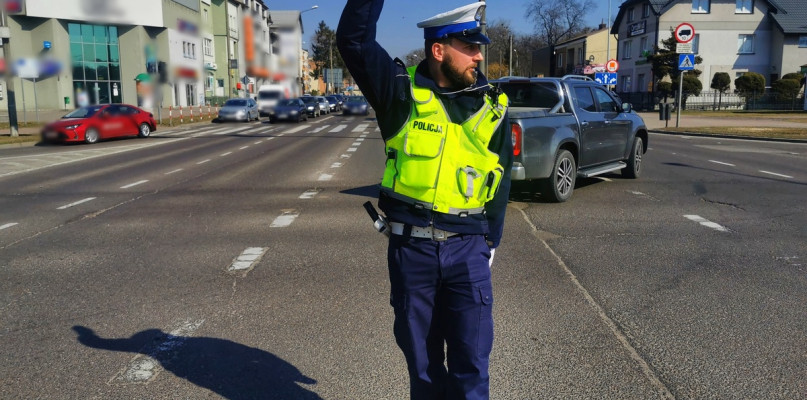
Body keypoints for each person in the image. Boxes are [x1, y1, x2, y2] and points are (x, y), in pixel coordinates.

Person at [337, 1, 512, 399]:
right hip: (411, 252)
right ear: (438, 50)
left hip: (468, 251)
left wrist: (490, 242)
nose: (479, 56)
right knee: (424, 370)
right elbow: (353, 40)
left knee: (472, 368)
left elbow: (500, 182)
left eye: (478, 47)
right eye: (469, 47)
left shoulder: (494, 107)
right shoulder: (399, 93)